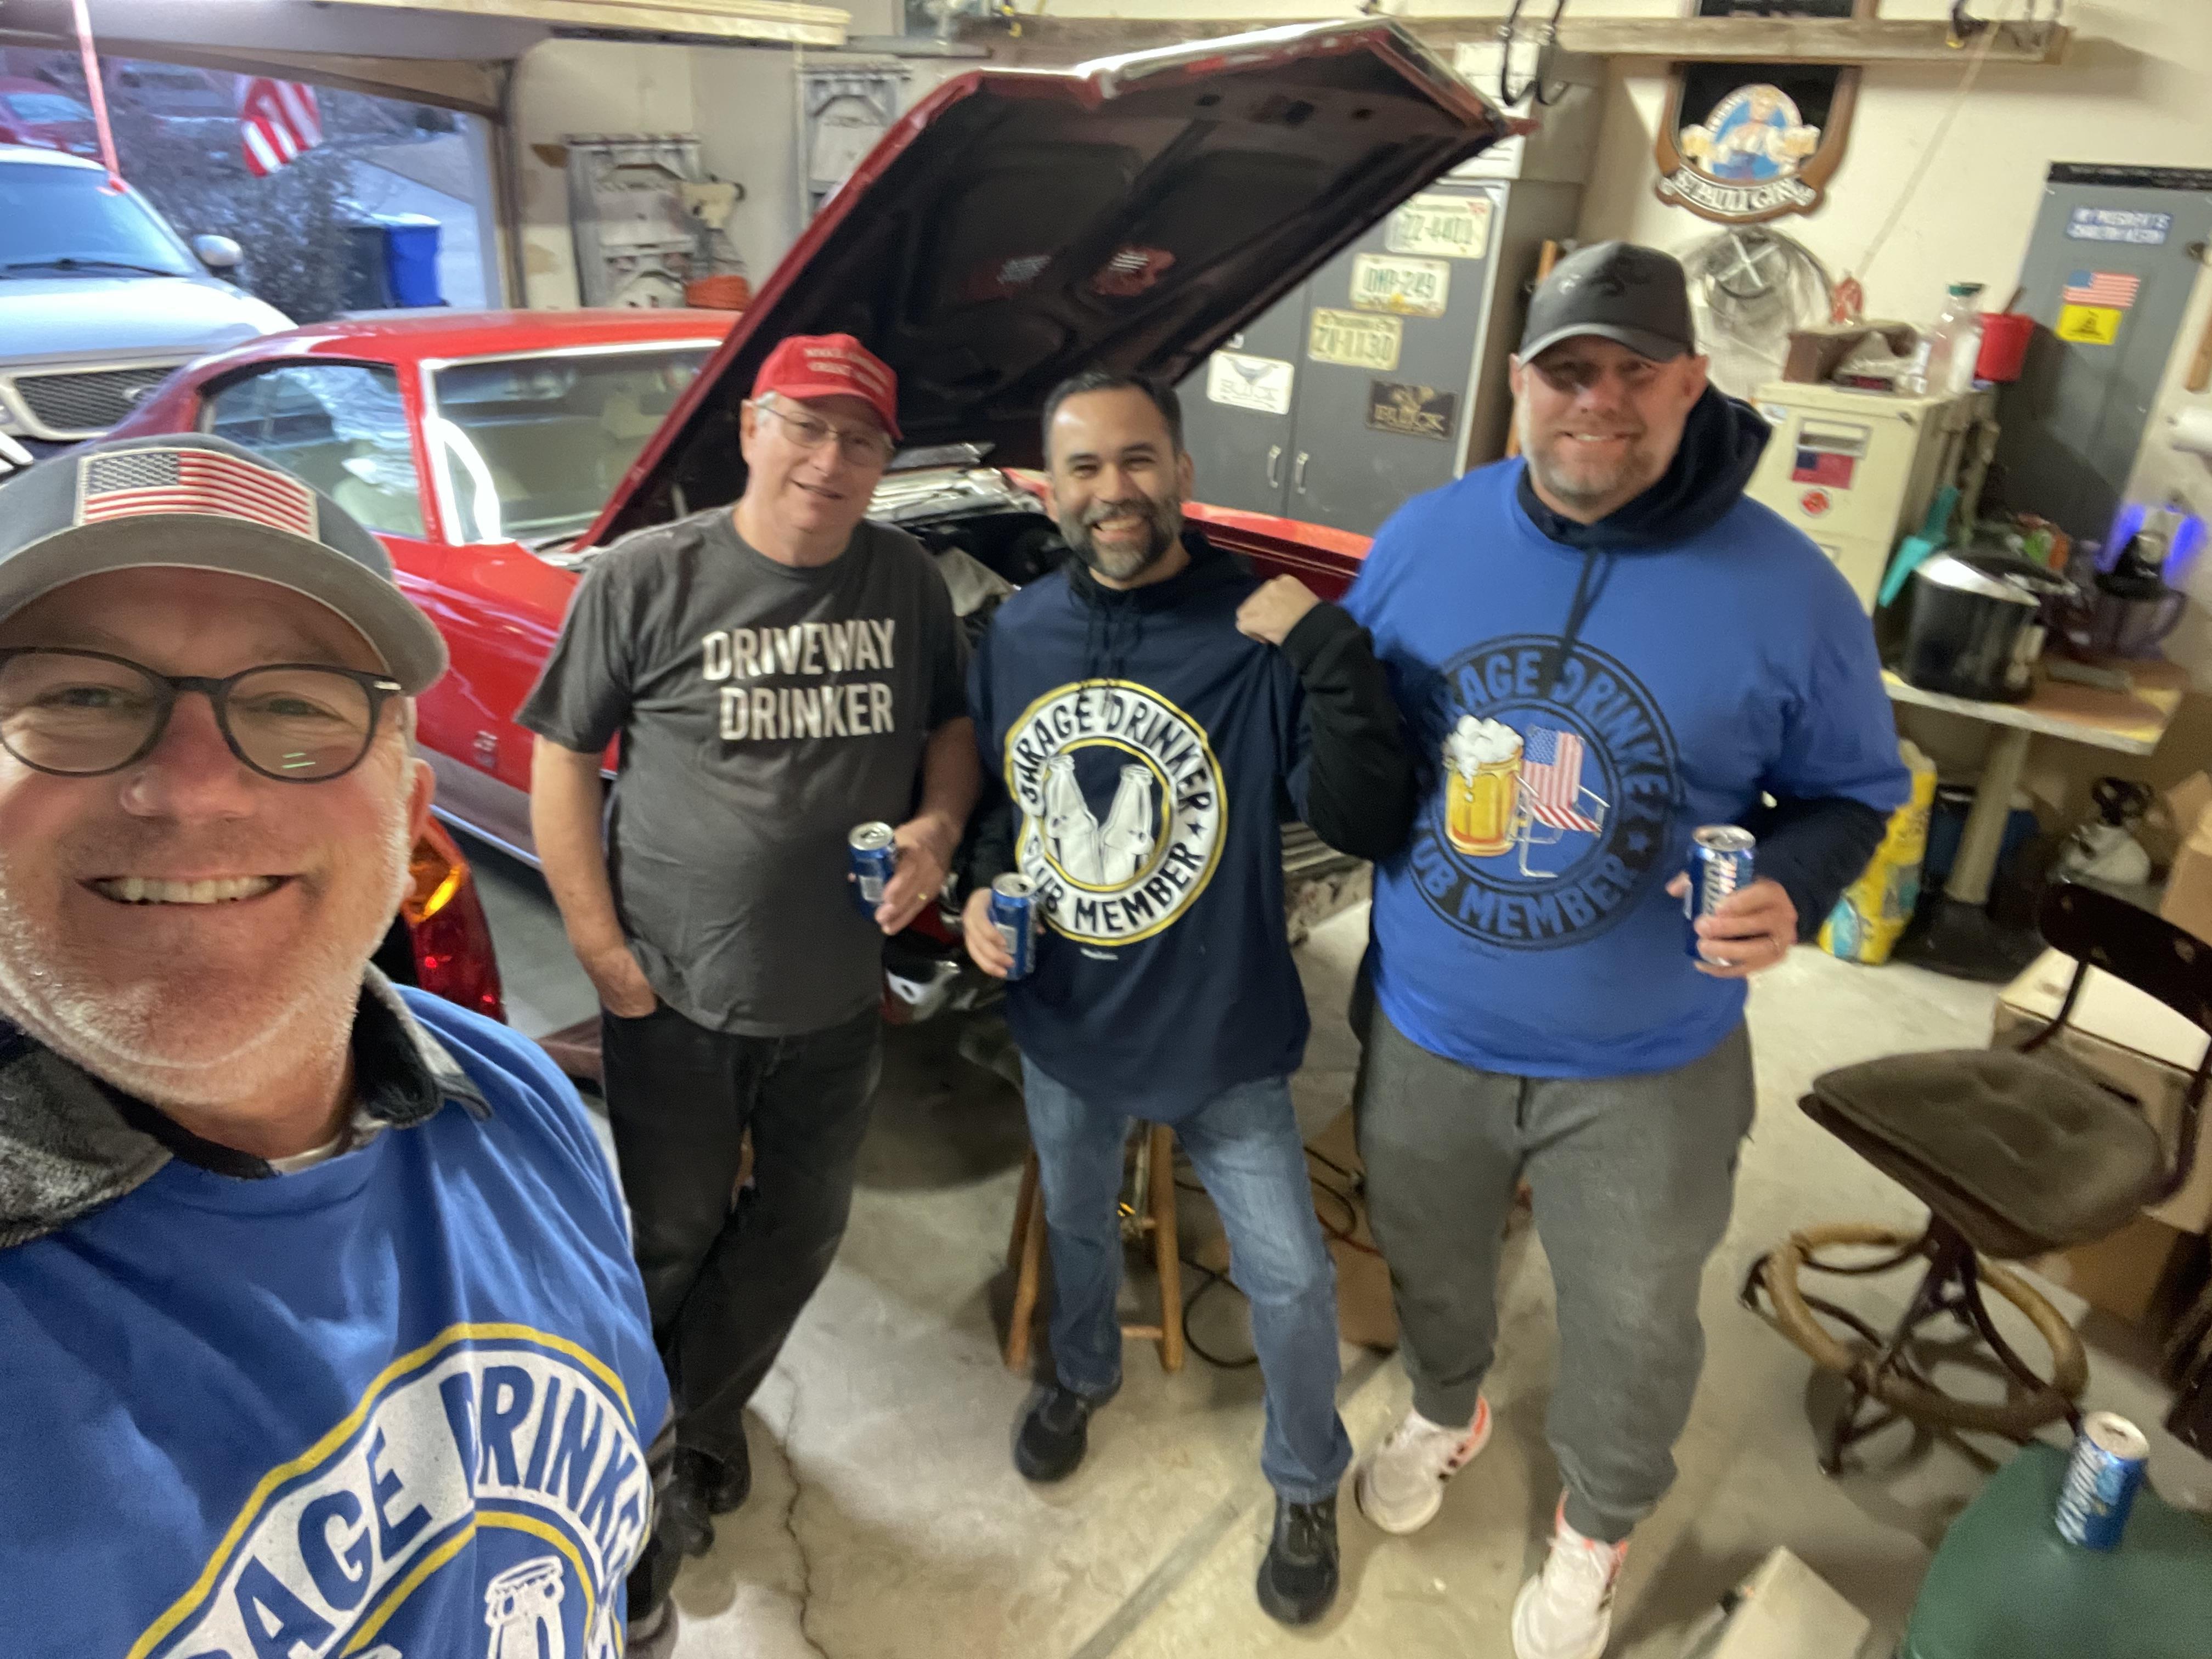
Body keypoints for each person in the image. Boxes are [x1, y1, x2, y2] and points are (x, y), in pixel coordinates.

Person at [0, 433, 670, 1656]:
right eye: (81, 696)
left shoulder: (515, 1102)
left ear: (408, 815)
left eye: (295, 707)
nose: (195, 788)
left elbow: (625, 1527)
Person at [1342, 242, 1910, 1659]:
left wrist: (1792, 881)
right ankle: (1448, 1403)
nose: (1599, 401)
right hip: (1428, 1019)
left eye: (1633, 372)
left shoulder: (1790, 588)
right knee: (1430, 1258)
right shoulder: (1423, 537)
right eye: (1569, 370)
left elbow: (1854, 792)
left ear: (1692, 383)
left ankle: (1596, 1528)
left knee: (1637, 1324)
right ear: (1521, 381)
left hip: (1649, 1059)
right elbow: (1356, 736)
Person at [962, 370, 1415, 1627]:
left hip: (1222, 1034)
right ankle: (1082, 1374)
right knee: (1083, 1222)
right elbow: (1009, 805)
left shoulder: (1255, 628)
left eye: (1139, 460)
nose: (1115, 491)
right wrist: (982, 893)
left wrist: (1328, 644)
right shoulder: (1020, 634)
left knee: (1292, 1280)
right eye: (1086, 469)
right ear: (1049, 492)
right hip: (1066, 1016)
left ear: (1183, 470)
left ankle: (1307, 1476)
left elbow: (1364, 816)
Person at [522, 332, 978, 1559]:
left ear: (887, 461)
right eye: (808, 427)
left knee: (800, 1226)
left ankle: (697, 1417)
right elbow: (562, 755)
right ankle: (633, 1444)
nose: (831, 461)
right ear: (751, 428)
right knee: (671, 1232)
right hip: (671, 992)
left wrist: (938, 827)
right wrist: (600, 951)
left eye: (863, 440)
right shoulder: (645, 576)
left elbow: (950, 725)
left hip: (835, 996)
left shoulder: (906, 580)